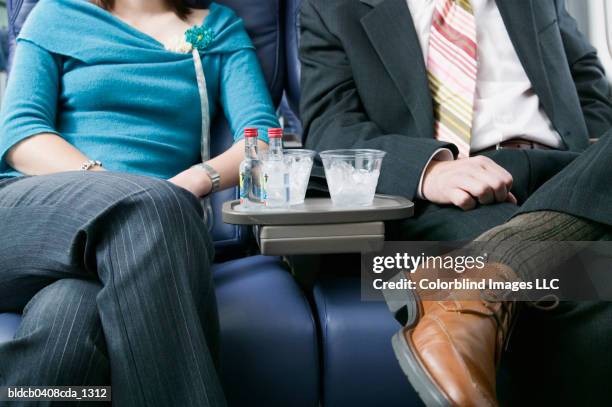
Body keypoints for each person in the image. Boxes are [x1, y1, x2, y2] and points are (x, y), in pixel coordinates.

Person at [299, 0, 612, 404]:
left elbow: (589, 83)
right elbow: (329, 129)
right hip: (453, 194)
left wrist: (595, 169)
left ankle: (474, 284)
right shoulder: (330, 7)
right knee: (589, 280)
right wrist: (429, 170)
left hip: (569, 173)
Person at [0, 0, 279, 406]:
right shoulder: (57, 13)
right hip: (33, 216)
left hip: (142, 243)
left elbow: (264, 140)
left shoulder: (218, 29)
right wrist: (119, 189)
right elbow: (21, 132)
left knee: (67, 325)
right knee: (152, 209)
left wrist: (196, 179)